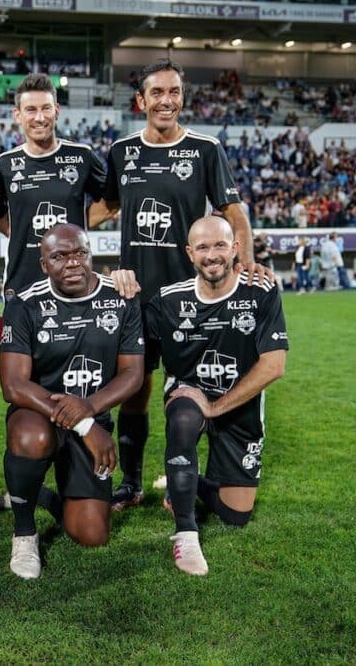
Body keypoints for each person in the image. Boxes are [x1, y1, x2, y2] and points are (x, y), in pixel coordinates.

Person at [103, 58, 267, 512]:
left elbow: (233, 213)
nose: (166, 100)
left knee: (193, 390)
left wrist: (246, 263)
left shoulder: (205, 149)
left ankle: (187, 480)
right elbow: (101, 209)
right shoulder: (121, 151)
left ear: (182, 98)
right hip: (134, 296)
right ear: (141, 101)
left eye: (174, 92)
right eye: (157, 92)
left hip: (189, 299)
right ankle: (131, 483)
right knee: (134, 389)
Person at [0, 224, 144, 579]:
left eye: (80, 253)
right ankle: (24, 533)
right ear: (44, 264)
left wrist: (90, 409)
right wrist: (84, 423)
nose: (73, 263)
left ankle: (38, 494)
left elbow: (133, 374)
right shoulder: (24, 304)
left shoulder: (121, 298)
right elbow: (13, 385)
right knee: (31, 436)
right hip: (39, 414)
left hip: (92, 414)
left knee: (92, 535)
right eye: (59, 256)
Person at [147, 216, 287, 575]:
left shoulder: (261, 291)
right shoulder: (168, 300)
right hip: (190, 395)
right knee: (183, 416)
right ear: (190, 253)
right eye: (203, 247)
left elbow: (273, 366)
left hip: (239, 403)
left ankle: (185, 481)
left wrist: (215, 406)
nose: (212, 255)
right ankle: (186, 534)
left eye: (220, 245)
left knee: (235, 515)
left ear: (235, 248)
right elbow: (135, 356)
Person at [0, 73, 109, 300]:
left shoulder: (81, 157)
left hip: (72, 282)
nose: (39, 117)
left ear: (57, 110)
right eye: (31, 110)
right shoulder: (4, 164)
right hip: (22, 283)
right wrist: (18, 231)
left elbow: (111, 201)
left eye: (46, 108)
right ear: (17, 114)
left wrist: (81, 224)